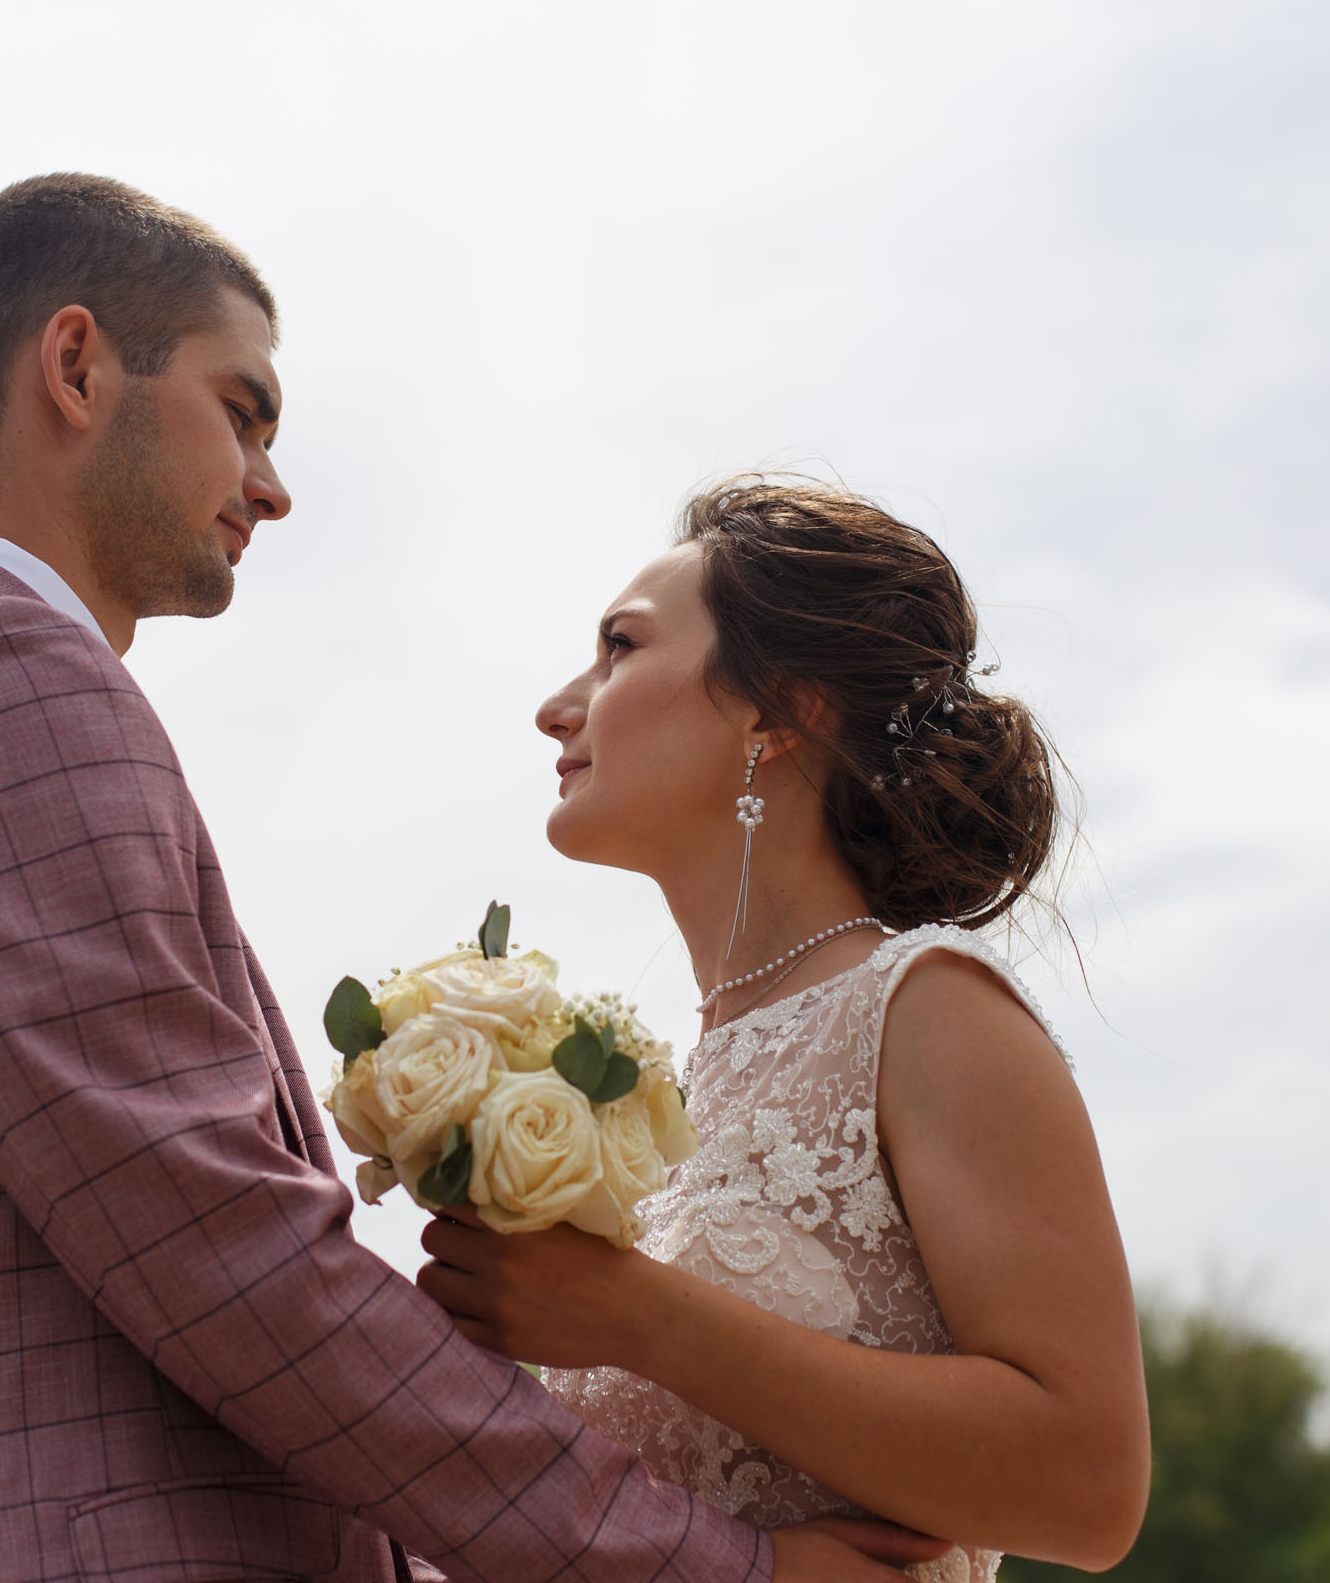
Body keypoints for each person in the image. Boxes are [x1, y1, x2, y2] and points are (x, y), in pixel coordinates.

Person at [0, 175, 947, 1582]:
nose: (273, 484)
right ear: (76, 367)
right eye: (243, 409)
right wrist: (717, 1568)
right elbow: (227, 1255)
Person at [413, 480, 1153, 1580]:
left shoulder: (929, 1006)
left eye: (619, 648)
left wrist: (639, 1315)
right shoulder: (657, 1087)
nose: (558, 705)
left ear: (777, 712)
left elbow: (1088, 1490)